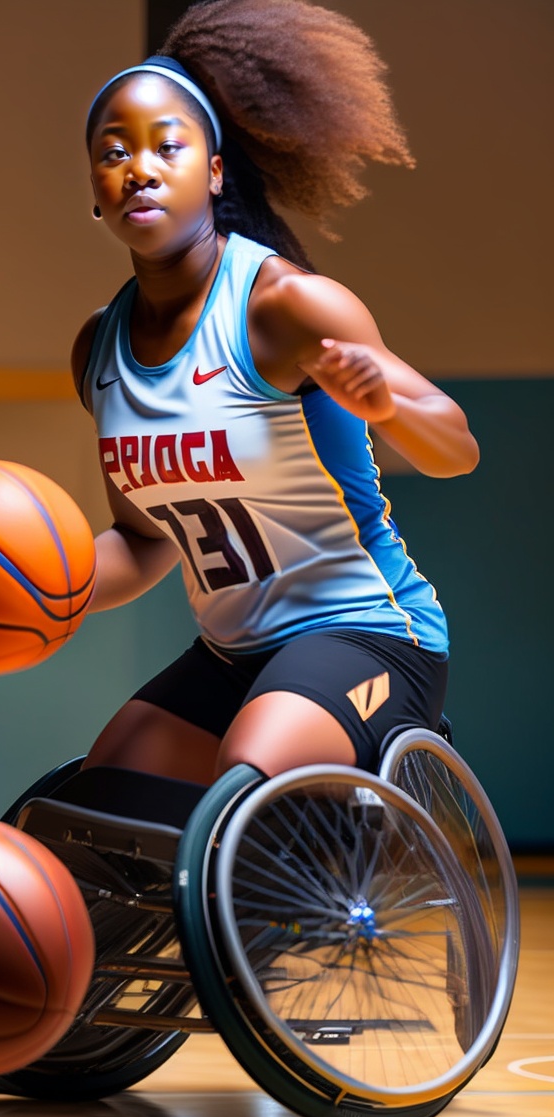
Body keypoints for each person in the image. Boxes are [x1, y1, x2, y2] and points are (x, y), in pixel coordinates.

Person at [73, 0, 479, 788]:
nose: (140, 168)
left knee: (253, 764)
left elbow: (457, 447)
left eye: (168, 147)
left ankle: (348, 870)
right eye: (113, 152)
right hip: (234, 654)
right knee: (103, 790)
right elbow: (147, 539)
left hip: (368, 635)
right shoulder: (99, 350)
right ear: (95, 190)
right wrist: (43, 586)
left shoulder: (282, 306)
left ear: (215, 171)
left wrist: (386, 406)